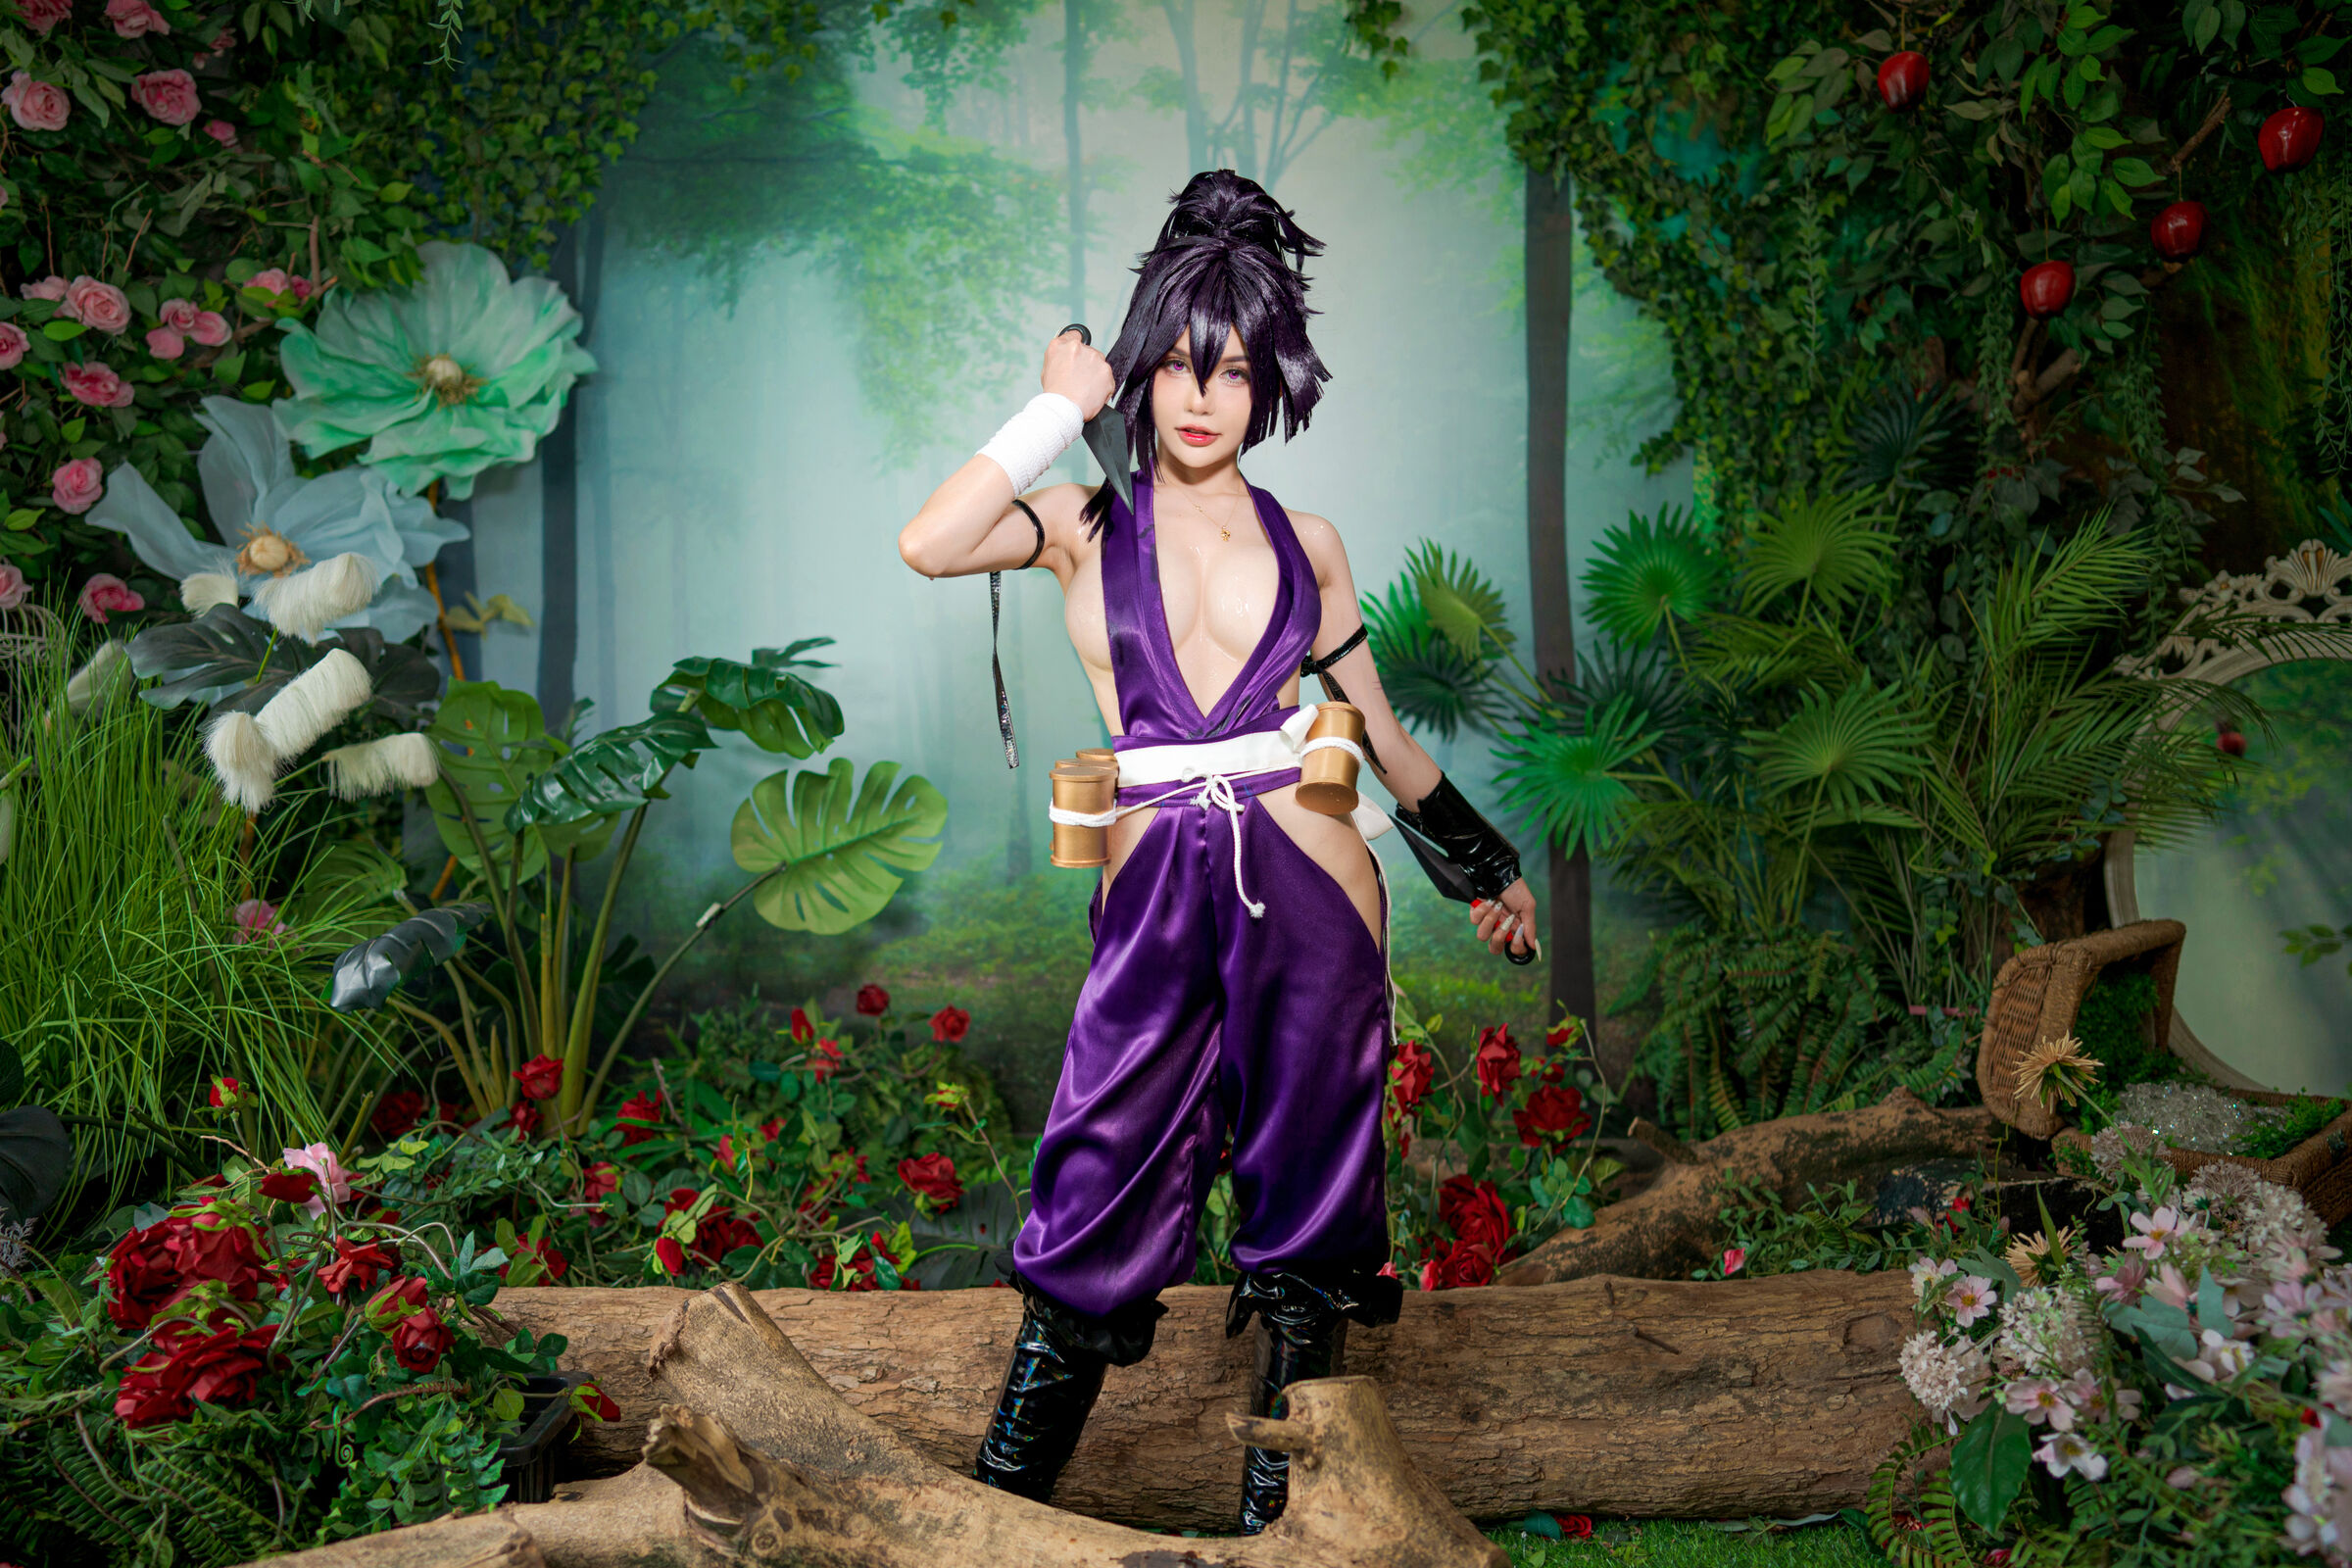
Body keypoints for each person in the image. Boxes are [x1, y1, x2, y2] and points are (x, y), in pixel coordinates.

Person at [897, 170, 1539, 1533]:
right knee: (1096, 1179)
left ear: (1269, 384)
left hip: (1316, 896)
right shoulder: (1083, 524)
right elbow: (928, 542)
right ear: (1142, 367)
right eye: (1181, 363)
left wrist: (1485, 869)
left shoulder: (1310, 544)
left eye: (1235, 370)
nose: (1202, 397)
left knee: (1309, 1207)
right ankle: (992, 1525)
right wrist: (1055, 409)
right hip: (1151, 900)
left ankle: (1281, 1530)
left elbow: (1378, 734)